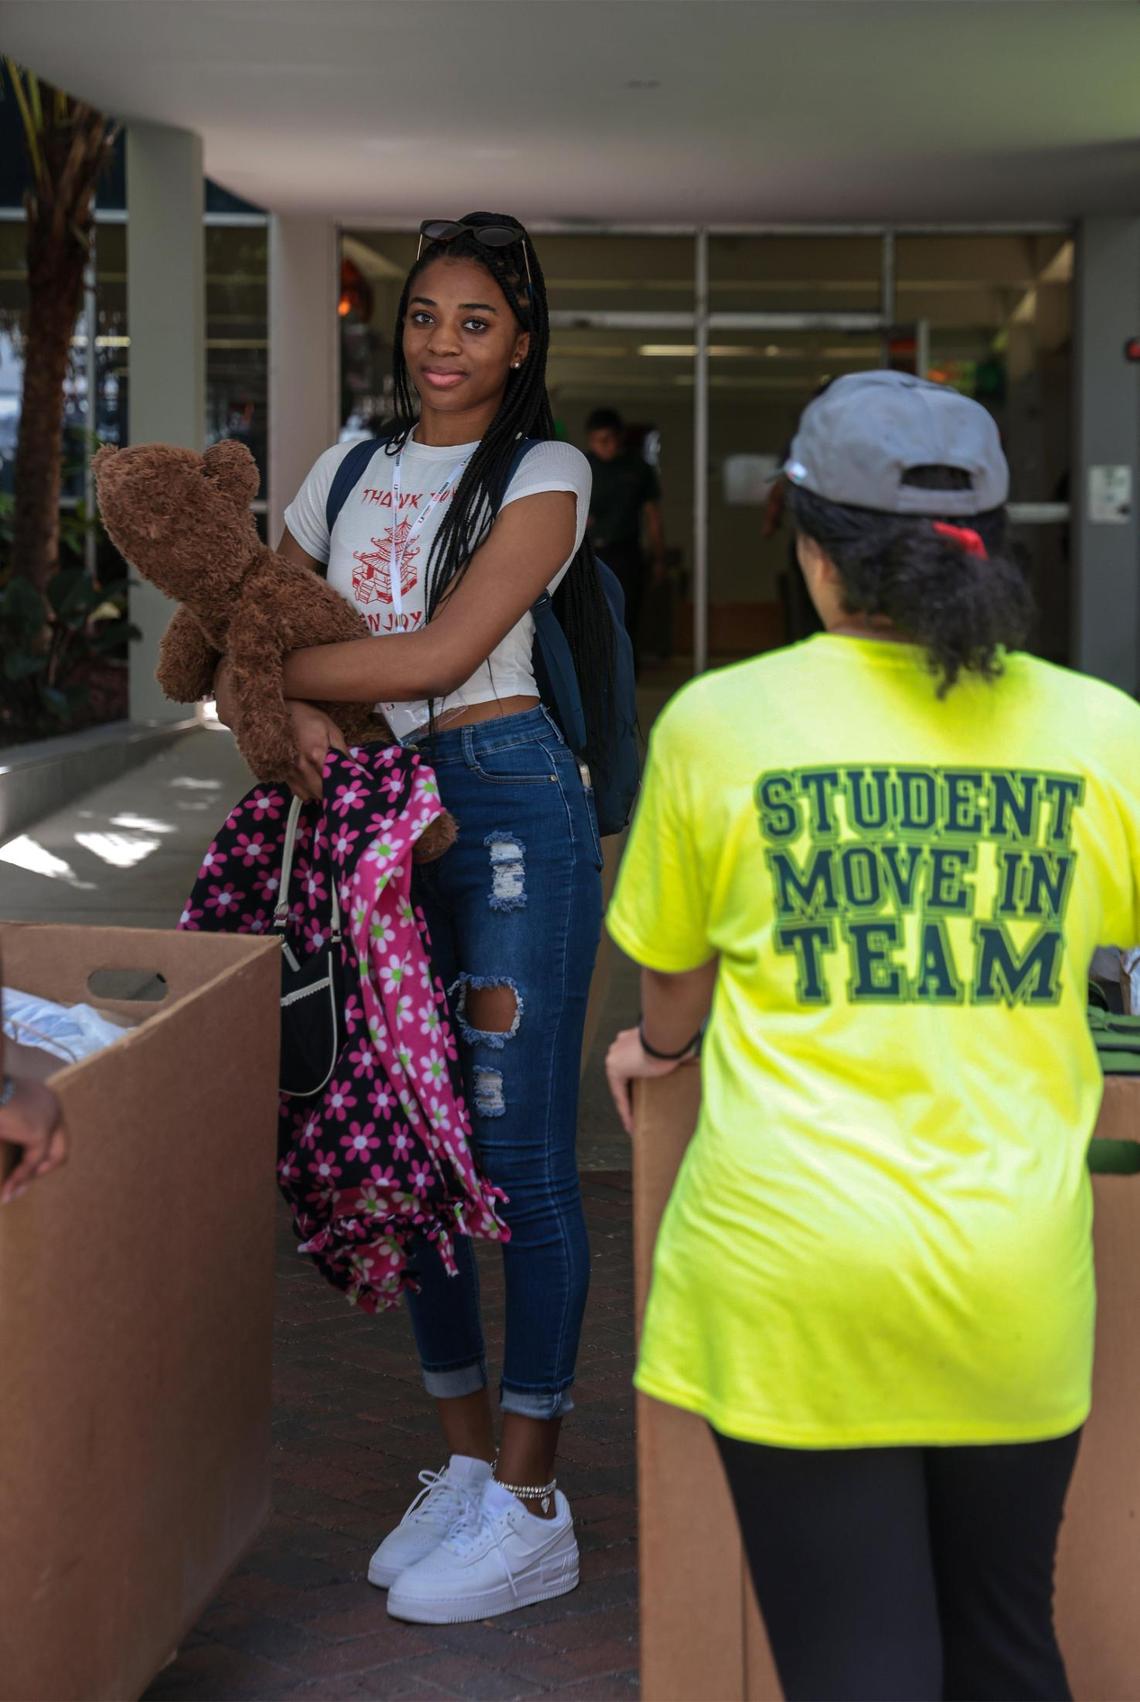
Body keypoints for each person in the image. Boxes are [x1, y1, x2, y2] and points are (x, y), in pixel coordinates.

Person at [604, 370, 1140, 1701]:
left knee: (857, 1668)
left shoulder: (718, 725)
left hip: (791, 1276)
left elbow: (671, 984)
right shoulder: (1104, 733)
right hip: (1006, 1280)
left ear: (809, 547)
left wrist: (658, 1054)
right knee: (1008, 1649)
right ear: (995, 545)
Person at [214, 213, 609, 1624]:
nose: (443, 347)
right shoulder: (352, 463)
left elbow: (442, 652)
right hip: (369, 811)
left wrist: (285, 679)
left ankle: (532, 1490)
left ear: (521, 340)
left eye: (477, 323)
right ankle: (460, 1467)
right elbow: (229, 615)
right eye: (427, 317)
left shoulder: (546, 469)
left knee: (512, 1152)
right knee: (411, 1141)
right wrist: (284, 691)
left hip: (505, 810)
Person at [584, 406, 665, 671]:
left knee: (626, 613)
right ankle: (596, 671)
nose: (603, 447)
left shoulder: (638, 468)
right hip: (589, 552)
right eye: (597, 441)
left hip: (625, 551)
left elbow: (653, 515)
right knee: (591, 615)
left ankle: (626, 671)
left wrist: (658, 556)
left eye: (608, 440)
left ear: (619, 437)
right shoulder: (583, 466)